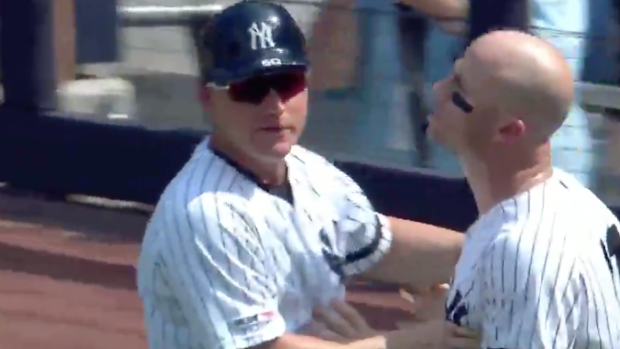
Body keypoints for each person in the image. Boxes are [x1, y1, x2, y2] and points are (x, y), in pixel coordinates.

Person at [136, 2, 475, 349]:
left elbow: (381, 244)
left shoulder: (308, 170)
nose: (275, 106)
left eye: (287, 82)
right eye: (250, 89)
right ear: (208, 98)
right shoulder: (208, 214)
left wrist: (494, 253)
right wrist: (420, 341)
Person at [428, 30, 620, 348]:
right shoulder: (575, 201)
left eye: (458, 91)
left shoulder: (522, 252)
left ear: (508, 130)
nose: (438, 88)